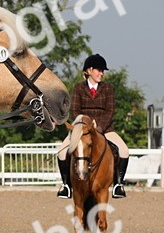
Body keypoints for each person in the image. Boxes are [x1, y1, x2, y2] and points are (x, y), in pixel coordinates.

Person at [56, 54, 130, 199]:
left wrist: (100, 127)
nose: (101, 73)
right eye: (99, 70)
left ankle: (118, 184)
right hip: (82, 129)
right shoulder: (78, 88)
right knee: (61, 152)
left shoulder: (108, 89)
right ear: (89, 70)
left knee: (124, 150)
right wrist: (84, 125)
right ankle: (66, 185)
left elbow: (110, 111)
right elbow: (75, 110)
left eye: (103, 71)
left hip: (104, 129)